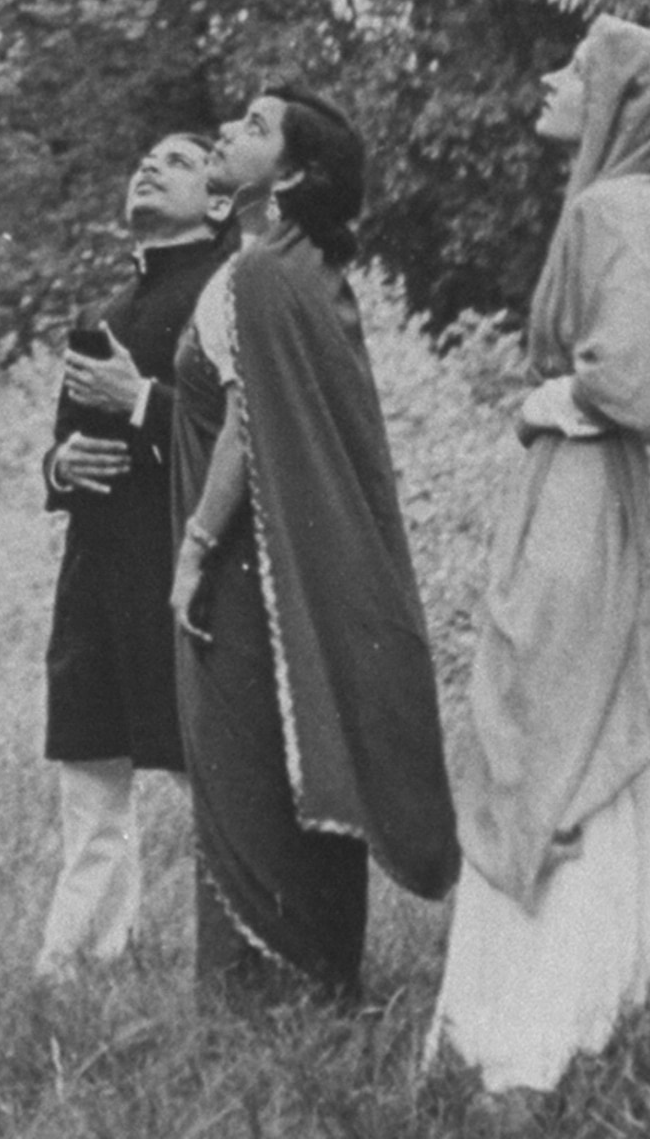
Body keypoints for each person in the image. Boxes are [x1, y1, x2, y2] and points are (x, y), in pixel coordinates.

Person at [430, 18, 650, 1093]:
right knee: (616, 738)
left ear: (620, 102)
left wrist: (549, 396)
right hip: (624, 512)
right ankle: (636, 1005)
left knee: (572, 729)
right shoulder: (649, 212)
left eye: (576, 70)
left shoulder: (622, 208)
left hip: (604, 513)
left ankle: (561, 1016)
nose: (553, 79)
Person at [168, 83, 458, 999]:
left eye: (254, 128)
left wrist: (195, 545)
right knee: (280, 749)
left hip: (252, 560)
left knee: (254, 756)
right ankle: (311, 983)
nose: (228, 130)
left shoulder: (267, 276)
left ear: (293, 172)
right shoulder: (286, 268)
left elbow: (249, 425)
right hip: (276, 555)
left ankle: (268, 994)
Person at [33, 129, 236, 978]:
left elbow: (245, 438)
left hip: (190, 572)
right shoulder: (101, 316)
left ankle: (246, 955)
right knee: (90, 776)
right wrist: (60, 466)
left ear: (220, 204)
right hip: (94, 578)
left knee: (212, 774)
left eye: (179, 162)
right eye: (143, 157)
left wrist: (143, 400)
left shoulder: (228, 299)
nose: (149, 164)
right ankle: (79, 957)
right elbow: (61, 448)